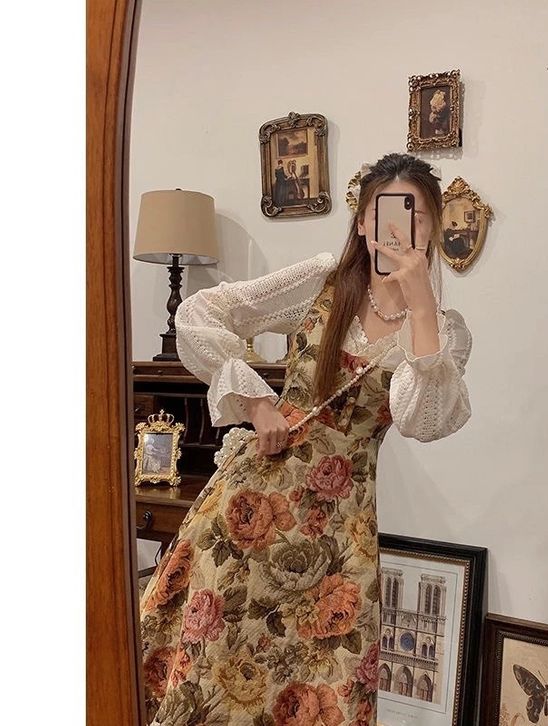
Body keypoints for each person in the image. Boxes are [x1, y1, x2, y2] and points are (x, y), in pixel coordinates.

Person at [138, 153, 473, 726]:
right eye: (385, 212)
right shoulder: (323, 282)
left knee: (321, 686)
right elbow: (199, 312)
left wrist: (421, 307)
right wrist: (256, 401)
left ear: (433, 228)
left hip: (339, 535)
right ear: (362, 223)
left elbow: (425, 421)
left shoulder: (445, 333)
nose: (399, 228)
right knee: (212, 670)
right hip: (252, 510)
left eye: (415, 215)